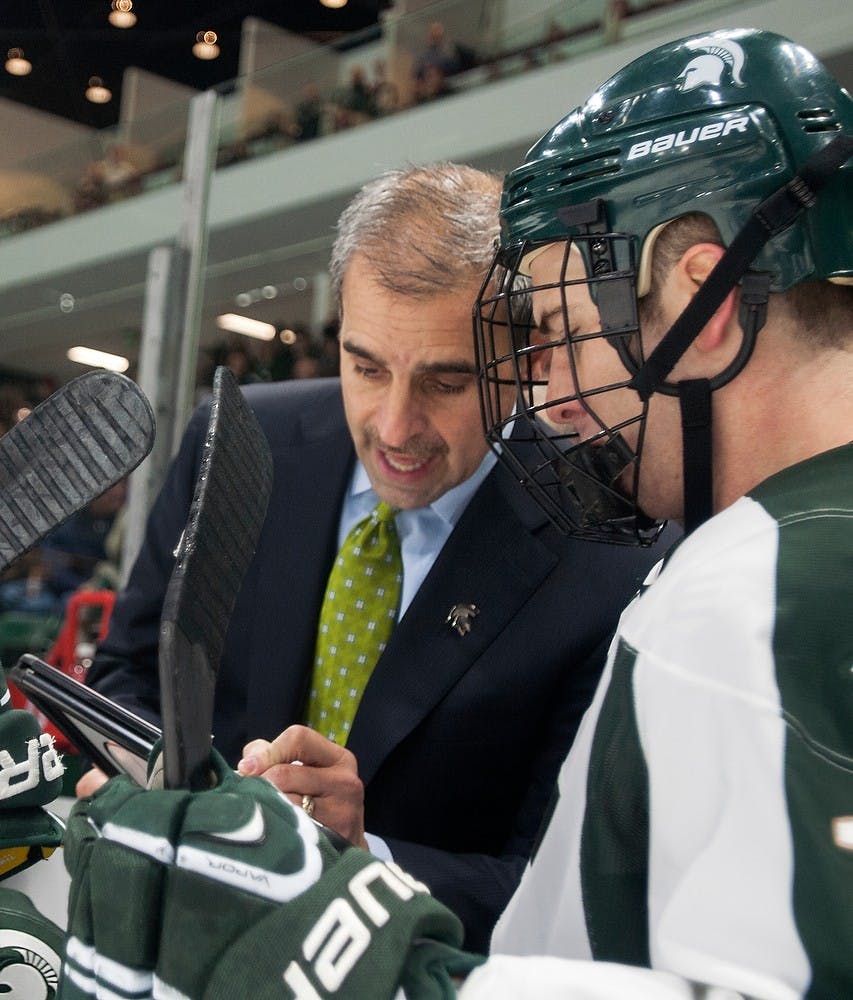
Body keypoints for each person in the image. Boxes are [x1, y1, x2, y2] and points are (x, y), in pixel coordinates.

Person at [79, 162, 673, 950]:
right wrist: (174, 786)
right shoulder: (239, 439)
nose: (394, 429)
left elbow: (556, 881)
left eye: (447, 381)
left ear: (521, 359)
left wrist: (365, 861)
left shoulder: (610, 553)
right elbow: (127, 673)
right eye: (365, 368)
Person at [458, 27, 852, 996]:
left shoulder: (738, 607)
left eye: (559, 331)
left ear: (700, 297)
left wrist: (396, 971)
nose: (547, 399)